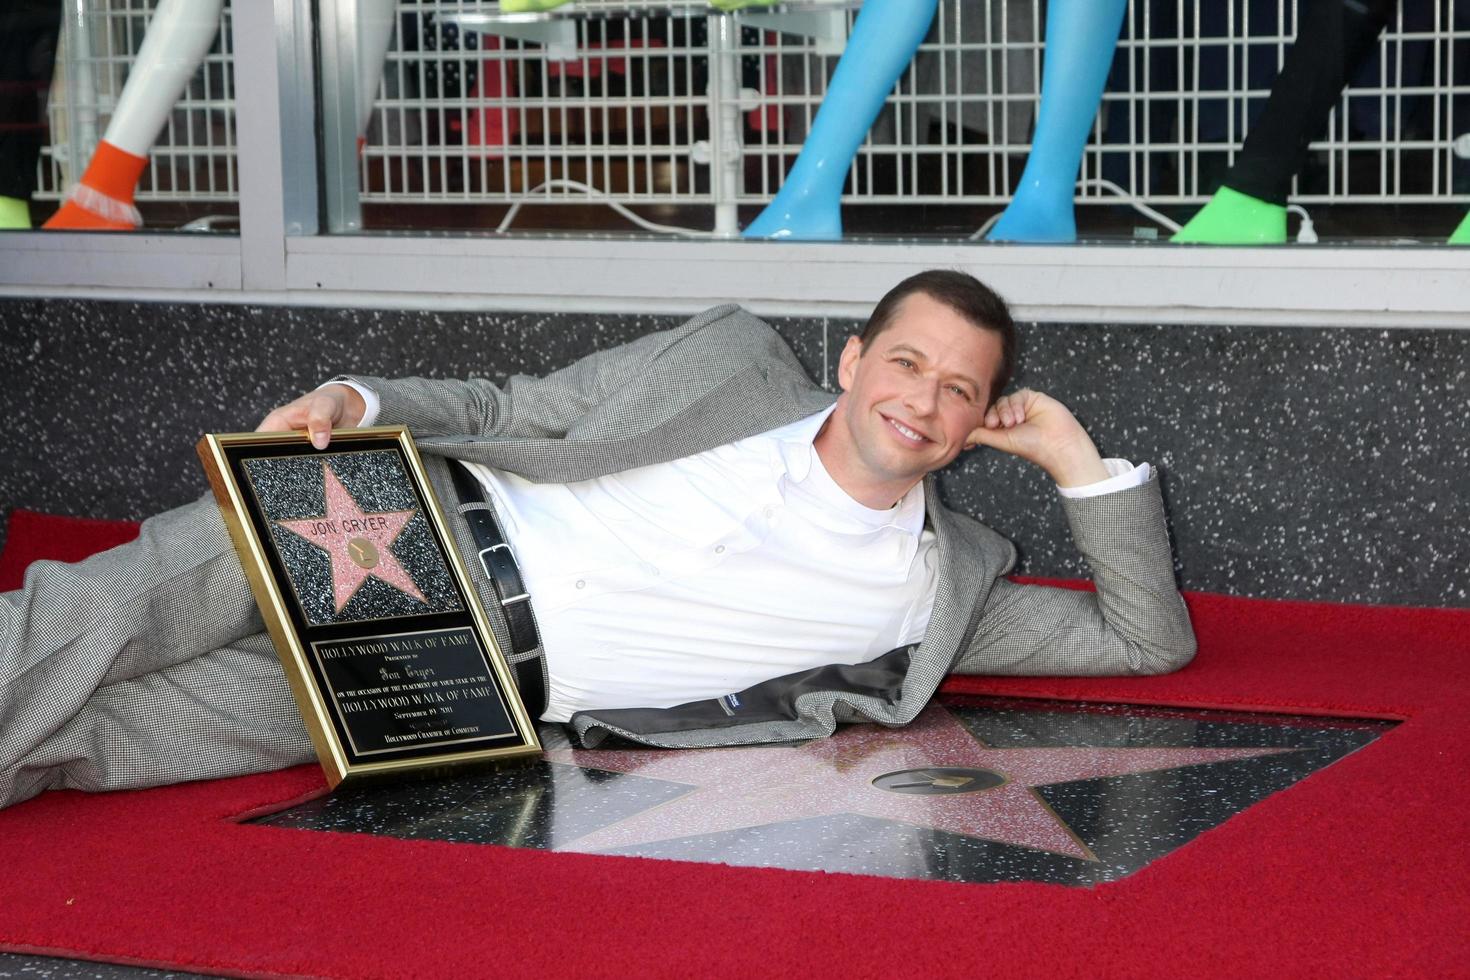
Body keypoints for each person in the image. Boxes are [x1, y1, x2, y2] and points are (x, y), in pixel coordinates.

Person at [0, 269, 1195, 810]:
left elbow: (1148, 641)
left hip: (449, 695)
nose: (922, 401)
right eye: (906, 363)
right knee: (80, 625)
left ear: (979, 421)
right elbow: (514, 406)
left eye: (958, 389)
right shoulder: (726, 360)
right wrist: (358, 404)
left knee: (96, 741)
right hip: (401, 527)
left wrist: (1080, 465)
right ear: (852, 360)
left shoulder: (946, 589)